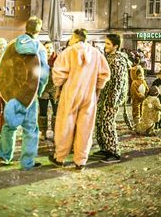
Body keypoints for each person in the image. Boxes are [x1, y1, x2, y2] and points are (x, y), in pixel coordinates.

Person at [48, 28, 110, 170]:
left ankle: (60, 157)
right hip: (89, 94)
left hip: (70, 93)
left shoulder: (68, 52)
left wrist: (58, 88)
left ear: (75, 38)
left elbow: (58, 75)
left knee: (65, 126)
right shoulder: (96, 54)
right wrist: (97, 91)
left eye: (71, 37)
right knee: (85, 127)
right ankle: (80, 161)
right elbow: (104, 75)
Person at [0, 16, 49, 170]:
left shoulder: (12, 44)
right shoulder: (39, 47)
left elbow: (2, 68)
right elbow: (43, 74)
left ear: (26, 27)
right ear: (38, 30)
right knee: (31, 129)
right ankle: (27, 162)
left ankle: (4, 156)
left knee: (9, 125)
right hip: (29, 95)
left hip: (11, 92)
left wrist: (6, 90)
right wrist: (38, 91)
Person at [94, 34, 130, 164]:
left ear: (115, 46)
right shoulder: (108, 58)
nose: (105, 46)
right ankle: (105, 148)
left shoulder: (117, 60)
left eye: (108, 44)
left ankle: (114, 152)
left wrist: (113, 100)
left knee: (107, 123)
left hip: (111, 99)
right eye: (105, 43)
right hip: (104, 97)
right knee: (100, 122)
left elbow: (118, 82)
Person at [38, 41, 57, 140]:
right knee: (43, 111)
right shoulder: (40, 60)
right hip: (43, 89)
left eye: (50, 48)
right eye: (46, 48)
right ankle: (43, 132)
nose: (48, 50)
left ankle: (55, 131)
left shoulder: (58, 60)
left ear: (53, 49)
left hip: (55, 89)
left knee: (56, 112)